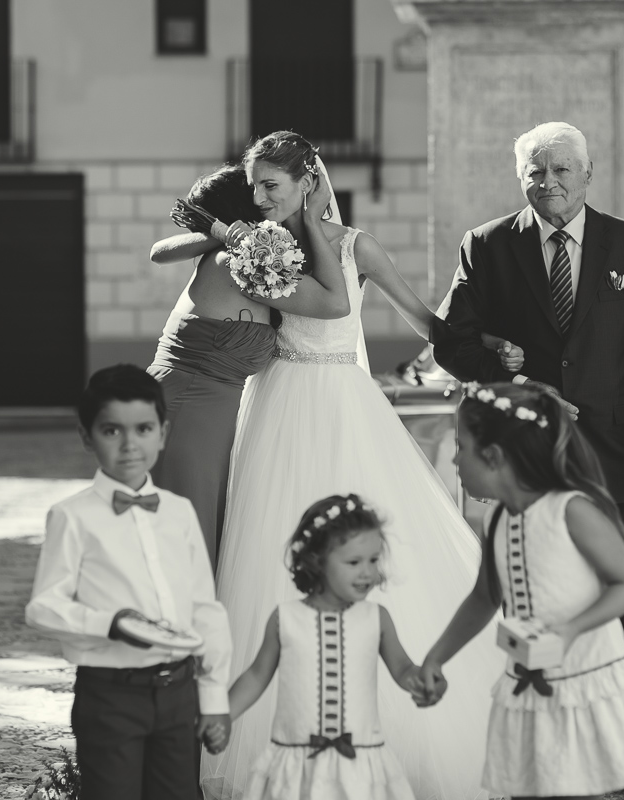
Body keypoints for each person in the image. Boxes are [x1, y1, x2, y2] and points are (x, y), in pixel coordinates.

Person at [196, 130, 509, 800]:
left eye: (270, 186)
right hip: (278, 402)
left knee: (375, 546)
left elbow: (425, 319)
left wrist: (487, 354)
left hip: (344, 401)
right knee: (269, 547)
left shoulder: (354, 246)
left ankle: (392, 720)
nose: (259, 199)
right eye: (254, 187)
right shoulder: (258, 248)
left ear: (306, 181)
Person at [433, 122, 624, 749]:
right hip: (537, 460)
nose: (547, 183)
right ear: (521, 177)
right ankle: (564, 739)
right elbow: (450, 342)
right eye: (535, 172)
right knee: (548, 597)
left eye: (560, 171)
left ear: (587, 174)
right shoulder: (487, 246)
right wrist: (506, 374)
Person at [420, 382, 624, 798]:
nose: (454, 459)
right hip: (529, 682)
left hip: (583, 685)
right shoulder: (498, 518)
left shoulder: (571, 510)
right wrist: (437, 657)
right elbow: (485, 597)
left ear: (495, 457)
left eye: (461, 447)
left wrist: (570, 630)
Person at [25, 365, 233, 800]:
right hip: (110, 695)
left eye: (143, 428)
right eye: (112, 431)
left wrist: (213, 700)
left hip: (179, 693)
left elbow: (204, 608)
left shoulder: (178, 512)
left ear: (163, 432)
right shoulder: (72, 517)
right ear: (88, 437)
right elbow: (43, 607)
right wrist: (110, 622)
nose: (130, 444)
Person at [147, 164, 349, 566]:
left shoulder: (235, 253)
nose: (264, 198)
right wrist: (308, 218)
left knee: (203, 529)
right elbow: (334, 304)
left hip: (206, 409)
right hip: (189, 407)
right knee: (188, 537)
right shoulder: (238, 262)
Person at [224, 494, 424, 800]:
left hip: (360, 766)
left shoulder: (376, 618)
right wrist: (221, 714)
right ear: (316, 561)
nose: (367, 572)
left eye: (373, 560)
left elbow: (403, 667)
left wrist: (419, 682)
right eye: (354, 562)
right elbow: (255, 676)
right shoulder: (286, 619)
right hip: (297, 766)